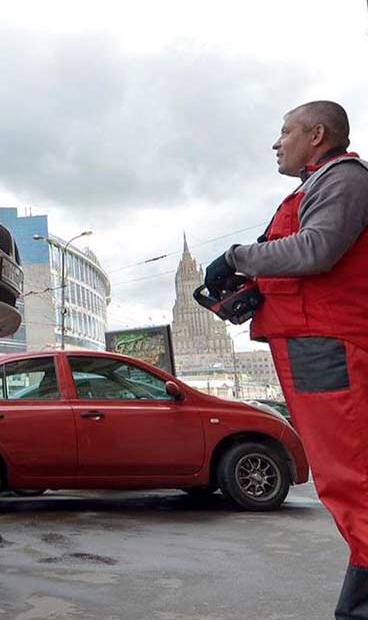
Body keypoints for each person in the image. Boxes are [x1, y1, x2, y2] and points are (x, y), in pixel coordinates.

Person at [204, 100, 368, 619]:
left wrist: (236, 257)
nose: (277, 143)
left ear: (317, 135)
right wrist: (251, 286)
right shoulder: (315, 185)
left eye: (285, 132)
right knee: (343, 478)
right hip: (312, 345)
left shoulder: (343, 177)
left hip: (328, 345)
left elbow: (317, 249)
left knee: (352, 478)